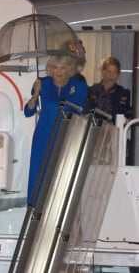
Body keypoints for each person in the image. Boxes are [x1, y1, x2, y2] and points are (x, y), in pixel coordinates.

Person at [24, 55, 88, 205]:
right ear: (50, 69)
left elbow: (80, 110)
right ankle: (35, 210)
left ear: (69, 69)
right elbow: (28, 112)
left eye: (63, 67)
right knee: (39, 174)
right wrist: (35, 94)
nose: (59, 71)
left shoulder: (78, 85)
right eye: (55, 67)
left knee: (62, 175)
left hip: (66, 136)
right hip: (43, 136)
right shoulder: (42, 83)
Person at [87, 56, 131, 124]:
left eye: (114, 72)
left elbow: (128, 116)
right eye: (108, 71)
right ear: (102, 71)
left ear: (118, 74)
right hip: (92, 130)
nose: (111, 75)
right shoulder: (92, 90)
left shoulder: (124, 93)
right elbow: (85, 111)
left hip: (114, 132)